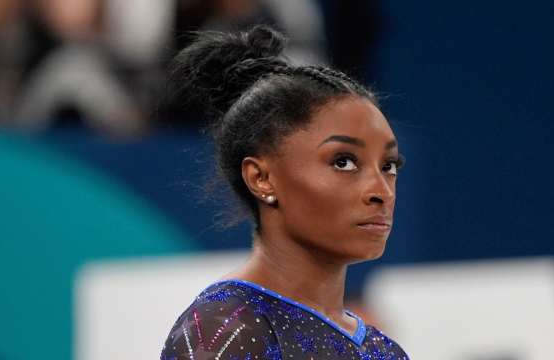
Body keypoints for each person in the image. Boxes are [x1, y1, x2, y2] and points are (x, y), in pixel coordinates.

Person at [161, 25, 409, 359]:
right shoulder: (226, 330)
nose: (381, 191)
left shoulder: (383, 351)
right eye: (344, 161)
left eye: (389, 165)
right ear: (261, 177)